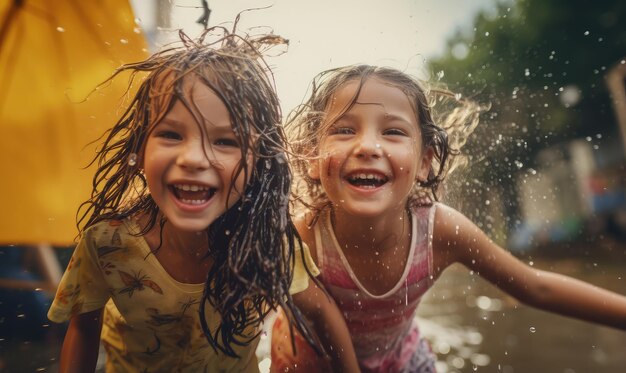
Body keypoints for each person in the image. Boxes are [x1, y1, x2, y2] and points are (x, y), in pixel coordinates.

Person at [270, 64, 626, 373]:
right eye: (344, 130)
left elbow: (534, 287)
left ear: (424, 161)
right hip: (307, 364)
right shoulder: (302, 238)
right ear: (312, 157)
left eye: (393, 131)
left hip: (401, 360)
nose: (367, 146)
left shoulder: (439, 230)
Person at [47, 28, 359, 373]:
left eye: (226, 141)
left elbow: (321, 311)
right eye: (170, 134)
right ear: (139, 149)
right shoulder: (108, 243)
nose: (194, 158)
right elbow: (83, 328)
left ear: (259, 163)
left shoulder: (267, 243)